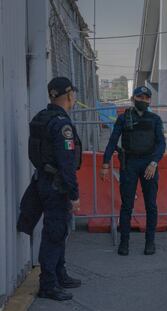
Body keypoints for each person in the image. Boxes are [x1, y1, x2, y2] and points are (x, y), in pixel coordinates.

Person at [28, 77, 83, 301]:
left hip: (44, 179)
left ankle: (60, 274)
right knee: (54, 233)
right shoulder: (61, 124)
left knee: (58, 231)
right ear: (69, 95)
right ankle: (48, 285)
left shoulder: (43, 116)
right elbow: (66, 163)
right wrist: (74, 194)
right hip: (56, 185)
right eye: (74, 94)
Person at [100, 86, 166, 256]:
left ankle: (150, 242)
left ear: (149, 100)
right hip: (129, 164)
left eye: (146, 98)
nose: (143, 100)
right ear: (133, 98)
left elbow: (161, 144)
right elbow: (113, 140)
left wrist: (154, 162)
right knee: (127, 205)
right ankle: (124, 243)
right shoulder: (123, 118)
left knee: (151, 205)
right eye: (140, 97)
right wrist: (105, 163)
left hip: (148, 165)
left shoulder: (155, 119)